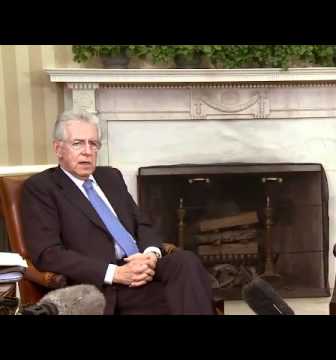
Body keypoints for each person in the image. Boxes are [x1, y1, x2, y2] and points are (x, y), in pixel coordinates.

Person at [21, 111, 214, 315]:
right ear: (58, 148)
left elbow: (142, 224)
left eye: (93, 144)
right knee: (183, 297)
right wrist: (116, 273)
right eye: (77, 143)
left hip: (142, 266)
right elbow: (48, 254)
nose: (87, 151)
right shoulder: (42, 188)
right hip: (103, 282)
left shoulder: (110, 177)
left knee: (186, 261)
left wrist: (149, 256)